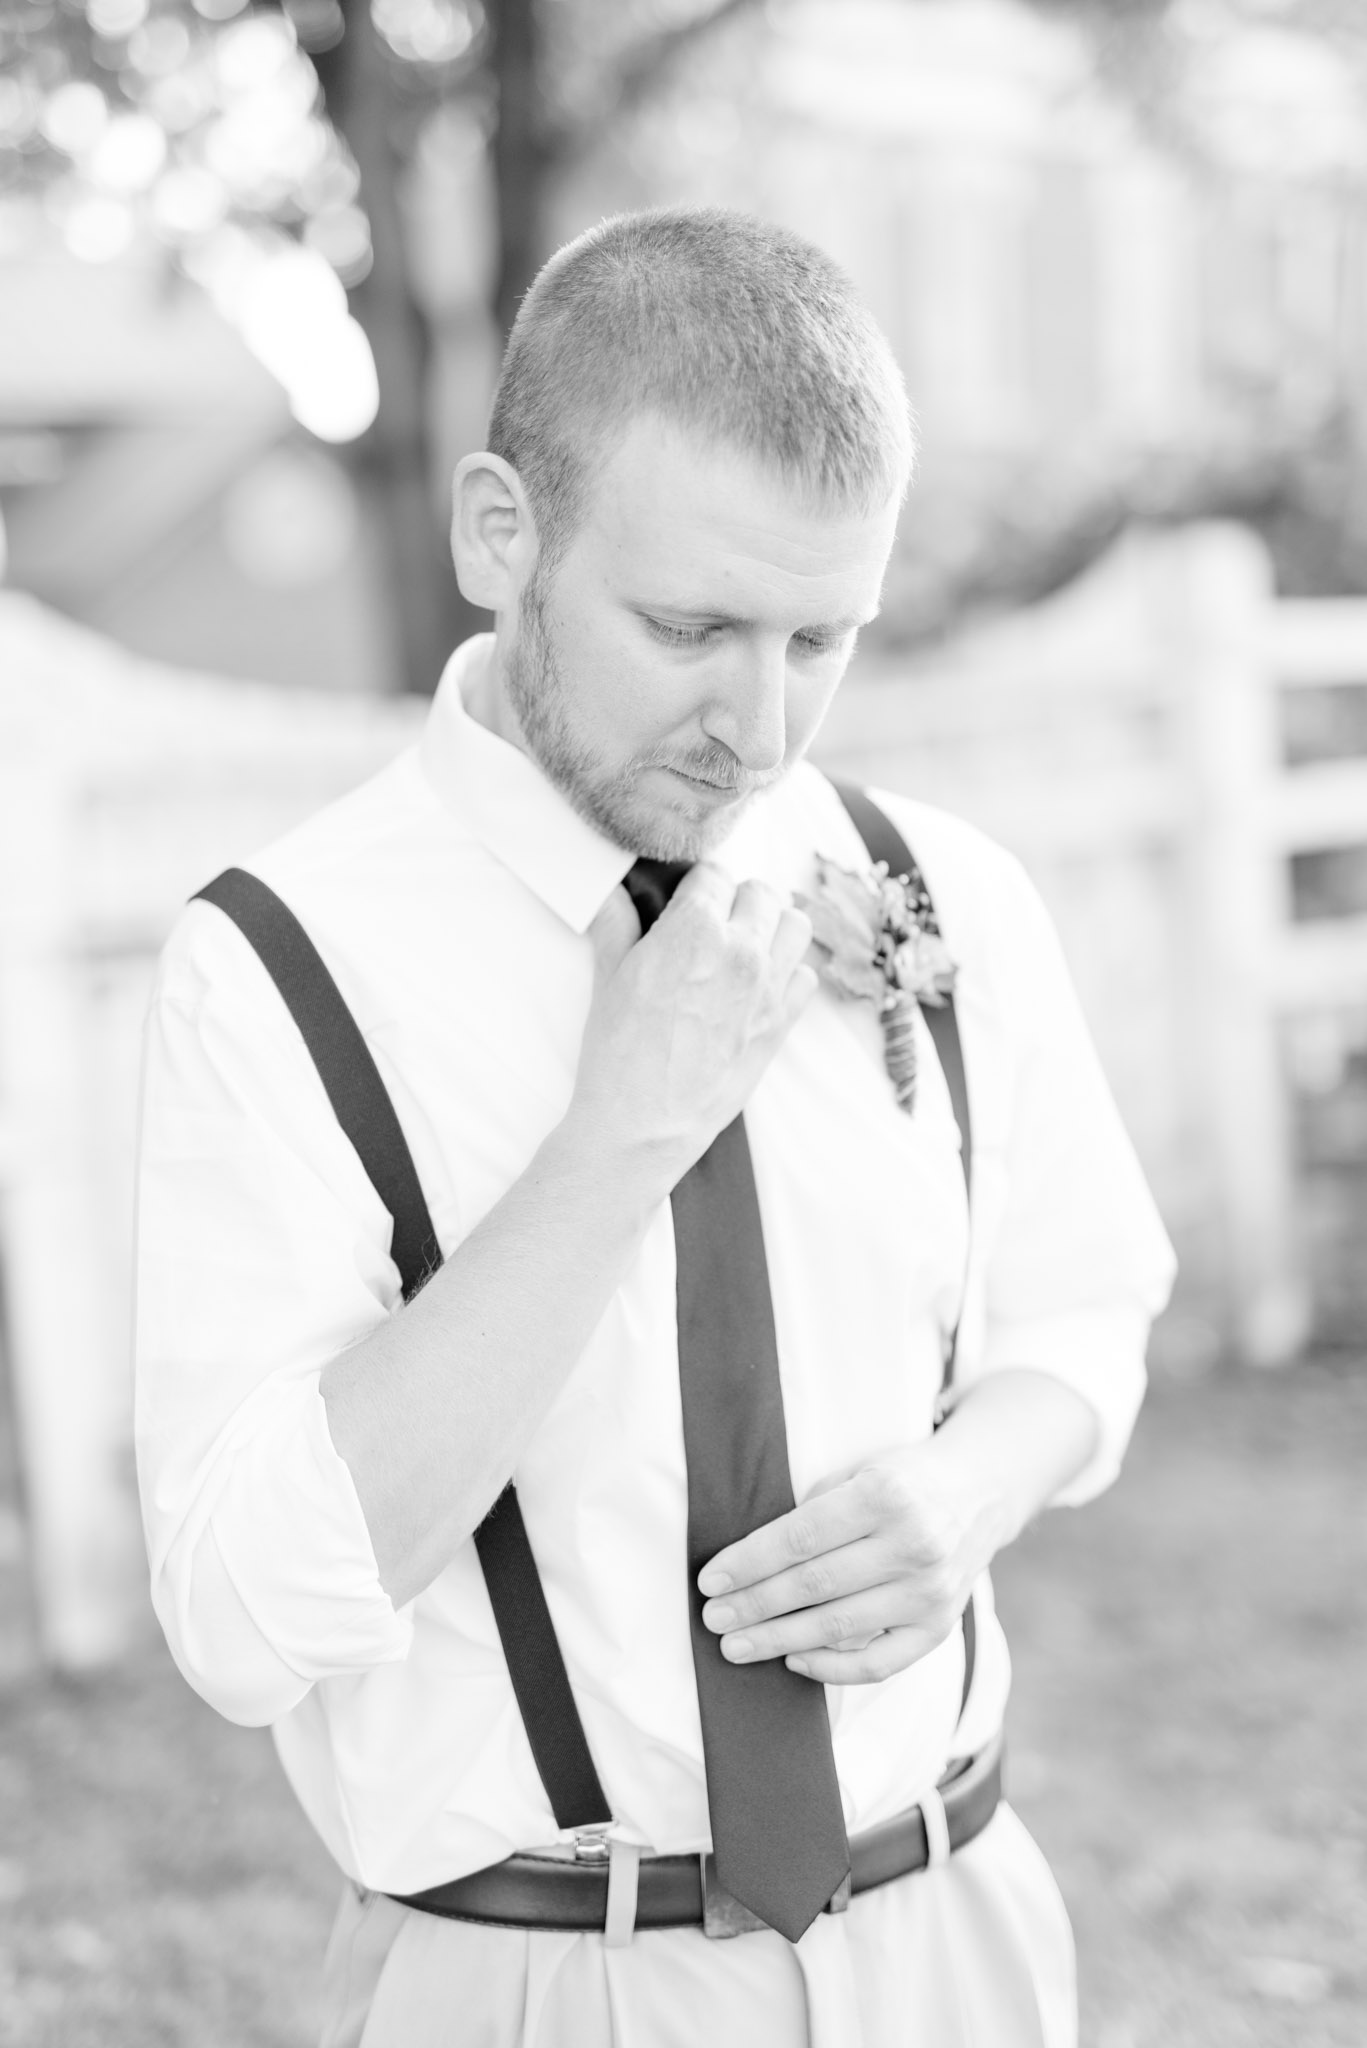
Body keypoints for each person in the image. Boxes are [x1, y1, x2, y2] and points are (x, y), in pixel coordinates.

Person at [134, 207, 1175, 2048]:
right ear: (500, 534)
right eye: (690, 628)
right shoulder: (280, 968)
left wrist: (971, 1488)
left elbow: (1087, 1315)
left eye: (822, 638)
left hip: (959, 1943)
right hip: (532, 1983)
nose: (758, 727)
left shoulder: (942, 891)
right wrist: (618, 1139)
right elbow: (241, 1611)